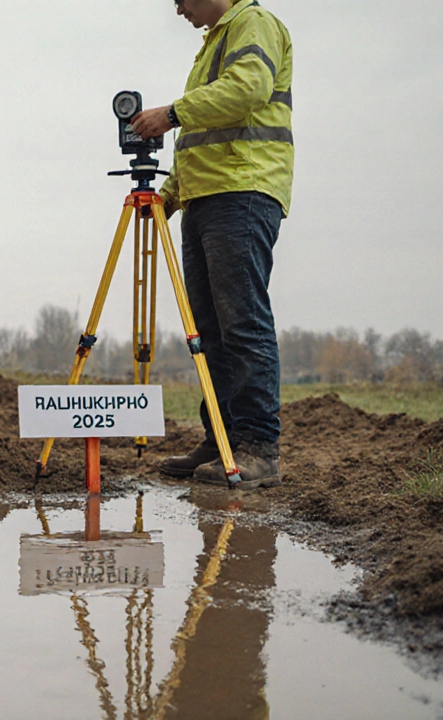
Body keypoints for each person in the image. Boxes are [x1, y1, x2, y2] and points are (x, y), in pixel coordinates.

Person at [129, 0, 293, 489]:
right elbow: (200, 137)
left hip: (241, 192)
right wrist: (169, 196)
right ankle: (221, 438)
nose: (176, 8)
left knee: (242, 323)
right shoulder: (213, 43)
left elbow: (248, 90)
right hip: (206, 197)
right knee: (210, 332)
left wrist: (172, 112)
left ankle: (259, 448)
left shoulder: (253, 24)